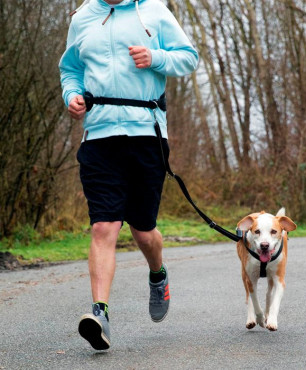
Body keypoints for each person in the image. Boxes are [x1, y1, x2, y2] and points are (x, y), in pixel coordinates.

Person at [59, 0, 198, 350]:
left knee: (143, 228)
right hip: (99, 137)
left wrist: (156, 58)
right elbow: (70, 69)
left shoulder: (154, 11)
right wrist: (72, 95)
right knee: (104, 225)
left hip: (146, 133)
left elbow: (188, 57)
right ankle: (99, 314)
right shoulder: (82, 17)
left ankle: (157, 273)